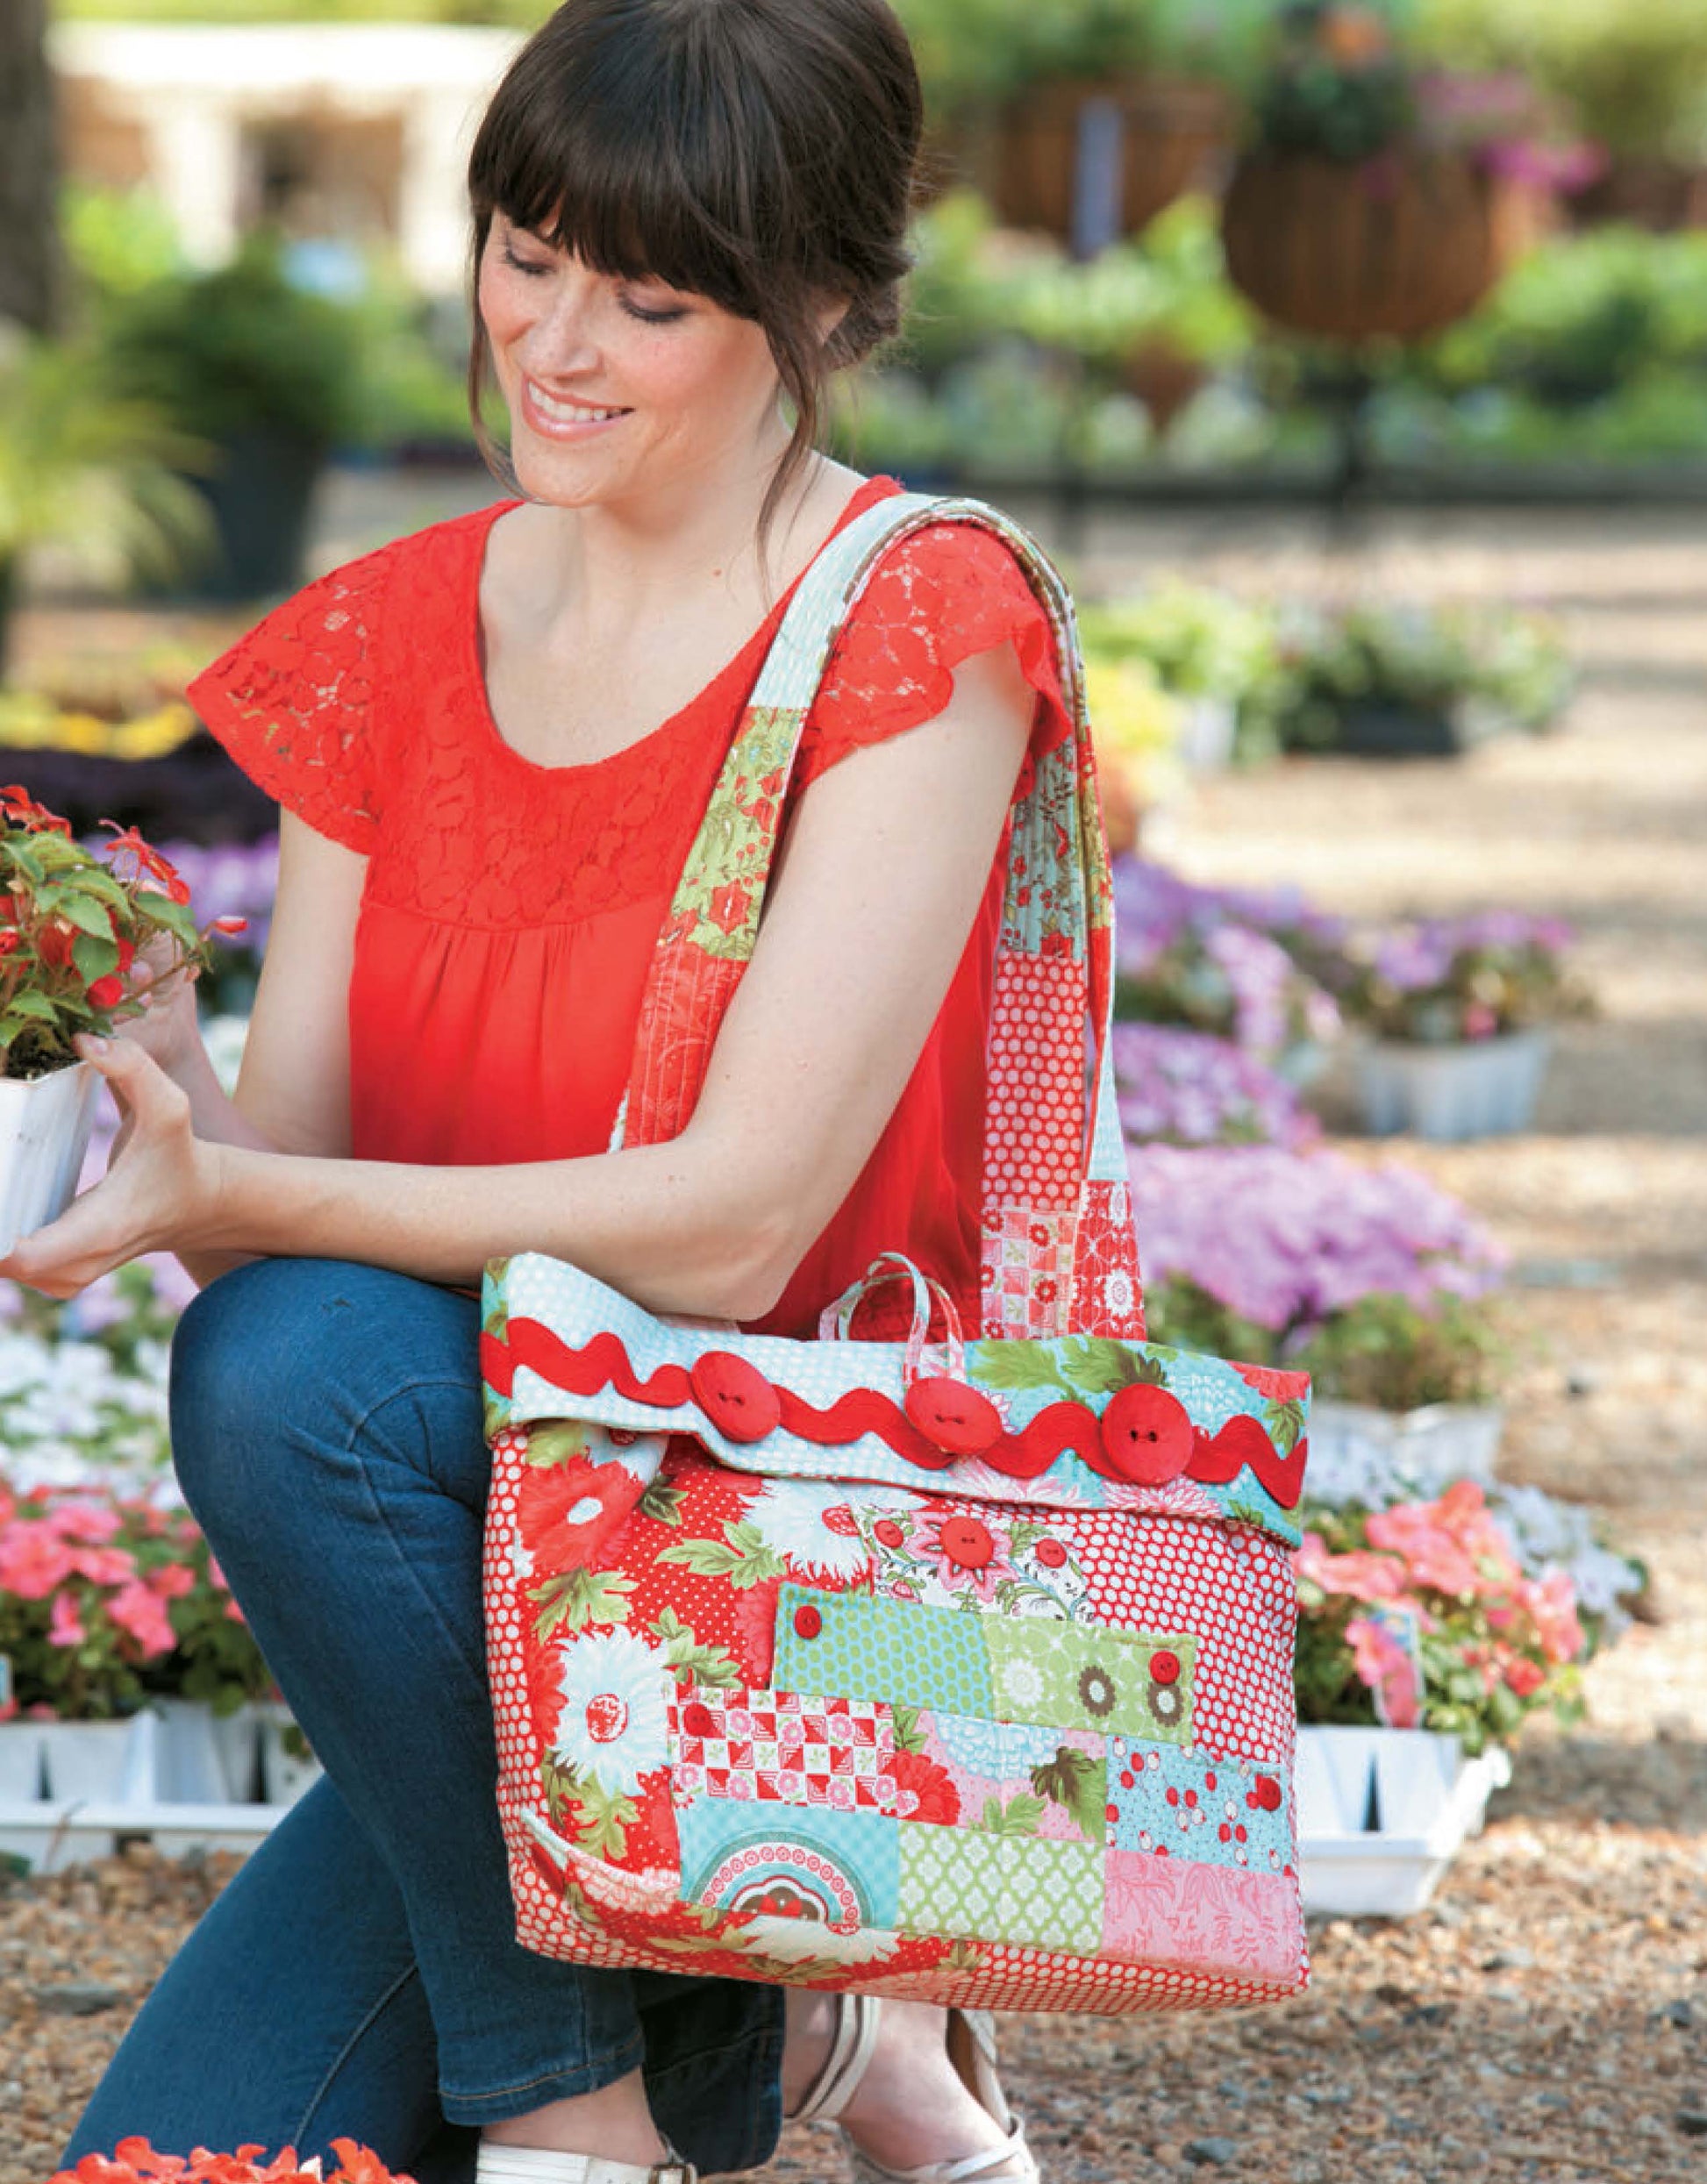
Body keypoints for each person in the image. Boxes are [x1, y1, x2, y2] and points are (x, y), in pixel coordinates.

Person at [4, 3, 1080, 2180]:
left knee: (287, 1351)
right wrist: (143, 1083)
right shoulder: (387, 634)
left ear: (831, 305)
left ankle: (601, 2107)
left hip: (766, 1566)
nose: (553, 344)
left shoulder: (911, 621)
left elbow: (737, 1223)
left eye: (650, 297)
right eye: (525, 254)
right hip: (492, 1594)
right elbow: (282, 1175)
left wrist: (261, 1210)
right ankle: (772, 2034)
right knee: (188, 2166)